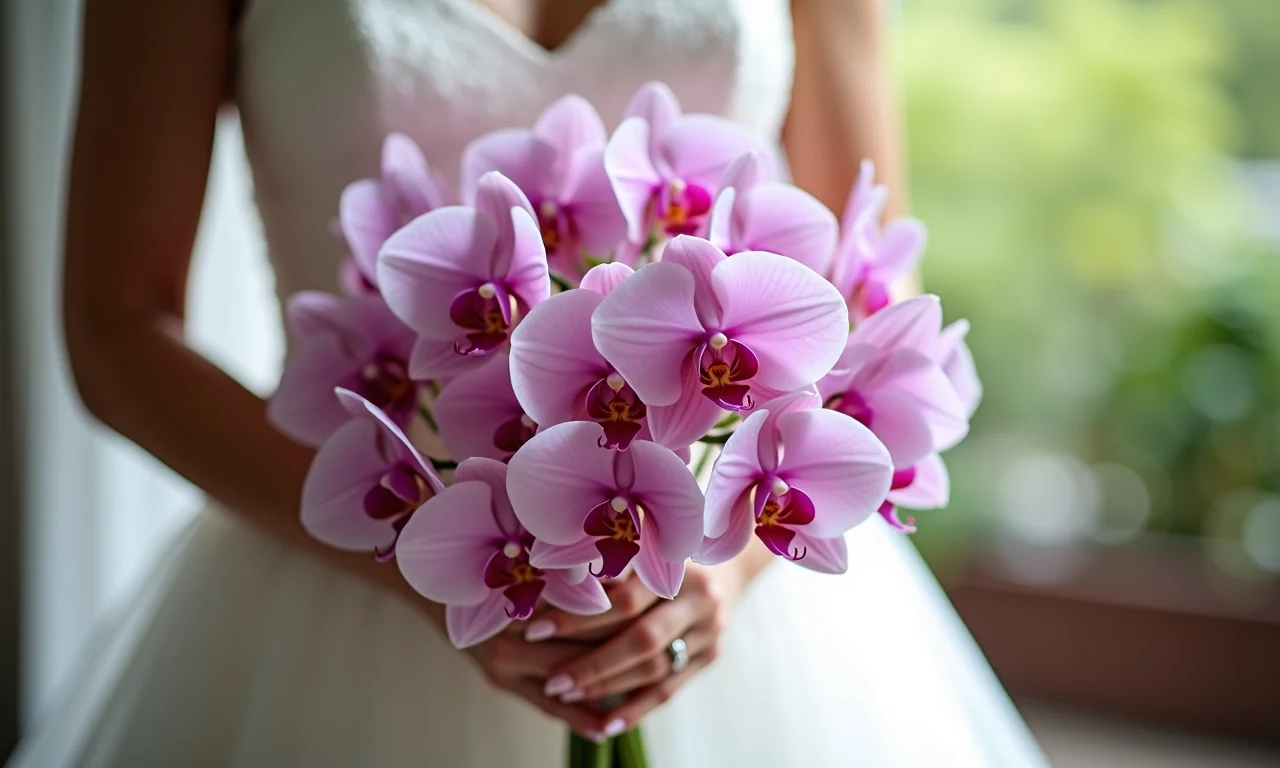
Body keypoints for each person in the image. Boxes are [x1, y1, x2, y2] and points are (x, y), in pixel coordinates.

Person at [15, 0, 1048, 764]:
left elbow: (868, 280)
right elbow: (115, 329)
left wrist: (719, 571)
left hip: (718, 577)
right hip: (351, 554)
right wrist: (432, 564)